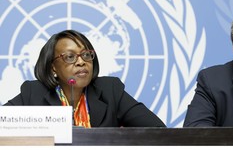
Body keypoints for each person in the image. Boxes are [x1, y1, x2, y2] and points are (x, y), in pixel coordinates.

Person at [4, 29, 166, 128]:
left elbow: (157, 130)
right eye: (70, 57)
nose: (81, 62)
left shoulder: (110, 90)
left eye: (86, 55)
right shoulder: (33, 93)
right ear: (53, 67)